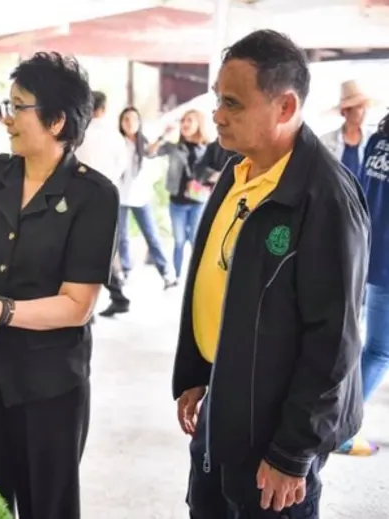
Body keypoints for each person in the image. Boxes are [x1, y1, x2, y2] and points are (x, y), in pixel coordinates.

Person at [173, 29, 368, 518]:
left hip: (275, 432)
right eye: (218, 99)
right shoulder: (239, 171)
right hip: (226, 400)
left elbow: (334, 341)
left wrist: (292, 453)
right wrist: (195, 371)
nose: (217, 114)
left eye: (233, 103)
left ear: (284, 108)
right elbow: (214, 279)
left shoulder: (325, 199)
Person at [0, 52, 118, 519]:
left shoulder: (94, 196)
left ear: (55, 121)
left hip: (48, 386)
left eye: (17, 107)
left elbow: (77, 306)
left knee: (47, 508)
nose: (5, 118)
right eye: (5, 105)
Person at [335, 109, 389, 456]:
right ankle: (339, 428)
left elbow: (357, 190)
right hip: (383, 263)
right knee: (379, 351)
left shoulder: (377, 140)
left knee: (371, 347)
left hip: (370, 252)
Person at [76, 91, 130, 317]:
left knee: (81, 250)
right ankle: (115, 295)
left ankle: (88, 305)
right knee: (103, 248)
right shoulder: (113, 135)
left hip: (80, 197)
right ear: (104, 108)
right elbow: (123, 164)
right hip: (108, 196)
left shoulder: (80, 133)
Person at [115, 106, 175, 289]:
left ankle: (166, 273)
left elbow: (151, 151)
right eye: (126, 119)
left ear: (139, 122)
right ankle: (126, 271)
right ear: (121, 123)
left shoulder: (143, 142)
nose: (130, 123)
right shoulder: (117, 142)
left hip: (141, 196)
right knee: (122, 237)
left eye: (133, 119)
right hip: (120, 196)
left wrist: (163, 136)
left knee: (152, 235)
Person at [148, 109, 210, 284]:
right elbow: (150, 153)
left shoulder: (207, 148)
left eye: (189, 120)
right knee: (179, 240)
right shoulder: (174, 147)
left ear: (198, 124)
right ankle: (176, 277)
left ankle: (198, 276)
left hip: (198, 200)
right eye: (183, 121)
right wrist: (163, 136)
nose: (185, 124)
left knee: (194, 239)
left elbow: (216, 172)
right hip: (177, 202)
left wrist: (203, 179)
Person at [319, 80, 374, 177]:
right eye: (360, 107)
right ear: (345, 111)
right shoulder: (325, 142)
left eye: (365, 107)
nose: (365, 112)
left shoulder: (373, 140)